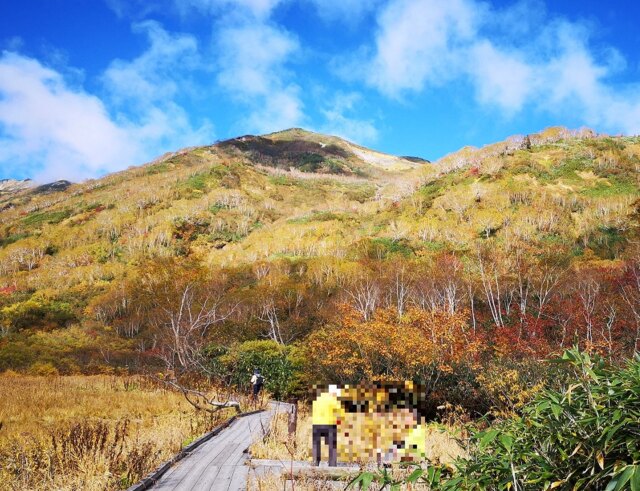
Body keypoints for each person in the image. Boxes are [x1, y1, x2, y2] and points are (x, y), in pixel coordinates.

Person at [312, 385, 344, 467]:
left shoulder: (319, 398)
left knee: (316, 444)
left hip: (316, 424)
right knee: (332, 445)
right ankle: (332, 464)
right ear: (334, 393)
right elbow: (339, 415)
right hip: (330, 424)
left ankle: (315, 462)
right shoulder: (334, 400)